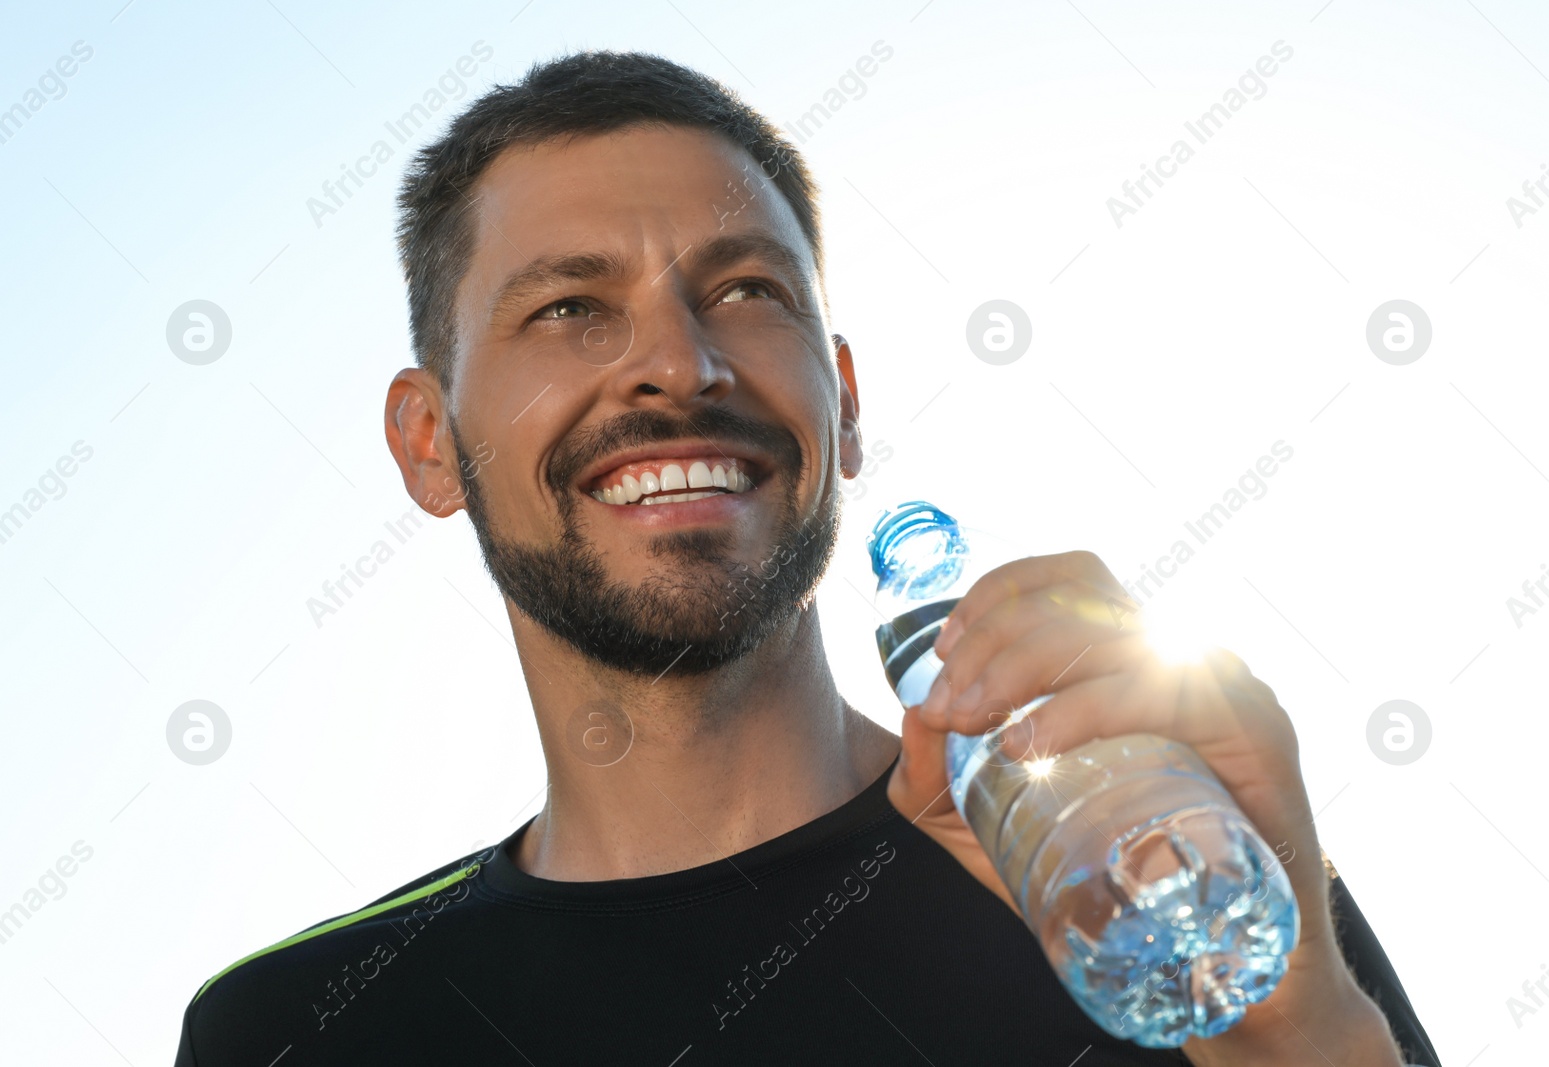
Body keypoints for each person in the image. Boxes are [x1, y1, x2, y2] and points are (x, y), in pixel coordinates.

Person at [174, 51, 1439, 1066]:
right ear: (428, 442)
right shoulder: (303, 1026)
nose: (679, 359)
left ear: (839, 400)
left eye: (746, 291)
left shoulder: (1155, 873)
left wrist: (1292, 1033)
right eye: (570, 307)